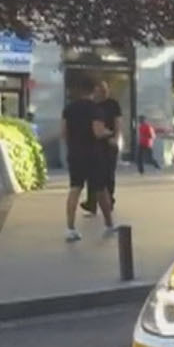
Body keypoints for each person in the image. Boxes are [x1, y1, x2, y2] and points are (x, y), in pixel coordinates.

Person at [62, 78, 117, 241]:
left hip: (75, 154)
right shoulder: (95, 109)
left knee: (75, 189)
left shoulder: (68, 109)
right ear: (93, 90)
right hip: (93, 154)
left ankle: (70, 228)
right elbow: (98, 132)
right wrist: (109, 133)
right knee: (101, 190)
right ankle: (108, 224)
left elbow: (63, 132)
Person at [82, 80, 122, 216]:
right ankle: (91, 203)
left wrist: (116, 139)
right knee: (92, 174)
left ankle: (109, 200)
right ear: (95, 91)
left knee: (109, 174)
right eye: (101, 90)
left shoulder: (113, 104)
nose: (104, 92)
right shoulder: (91, 105)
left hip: (109, 143)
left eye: (106, 90)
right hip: (93, 144)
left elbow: (118, 123)